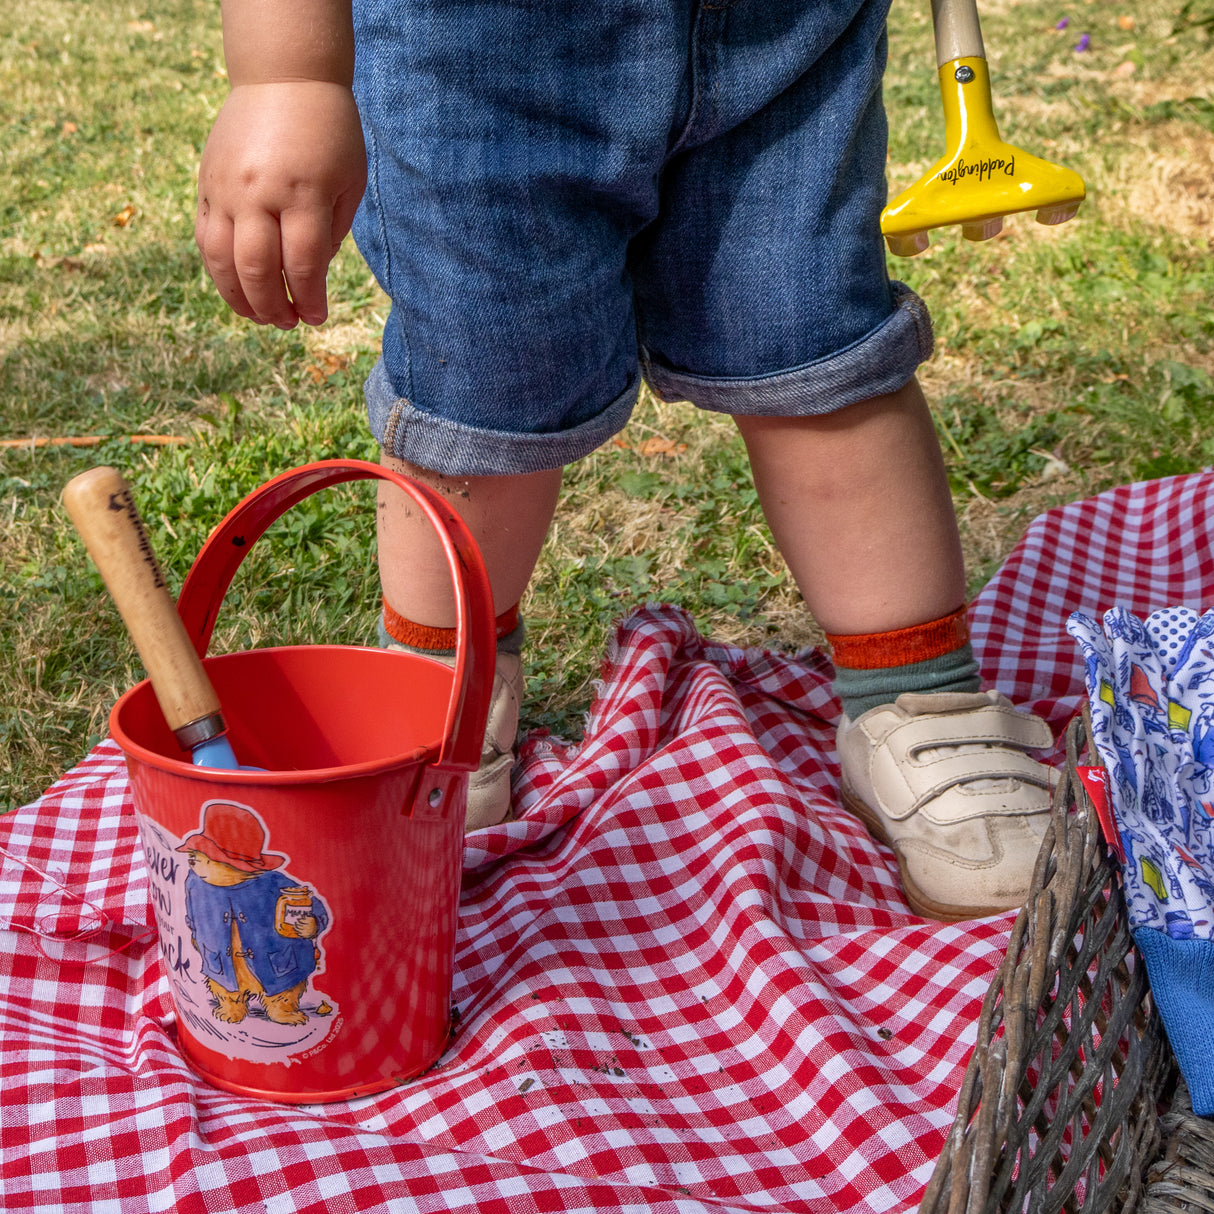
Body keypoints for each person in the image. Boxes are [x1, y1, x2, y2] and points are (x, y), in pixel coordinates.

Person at [195, 0, 1055, 921]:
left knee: (814, 341)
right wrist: (284, 73)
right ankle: (442, 697)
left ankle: (919, 701)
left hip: (782, 32)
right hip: (478, 57)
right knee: (488, 381)